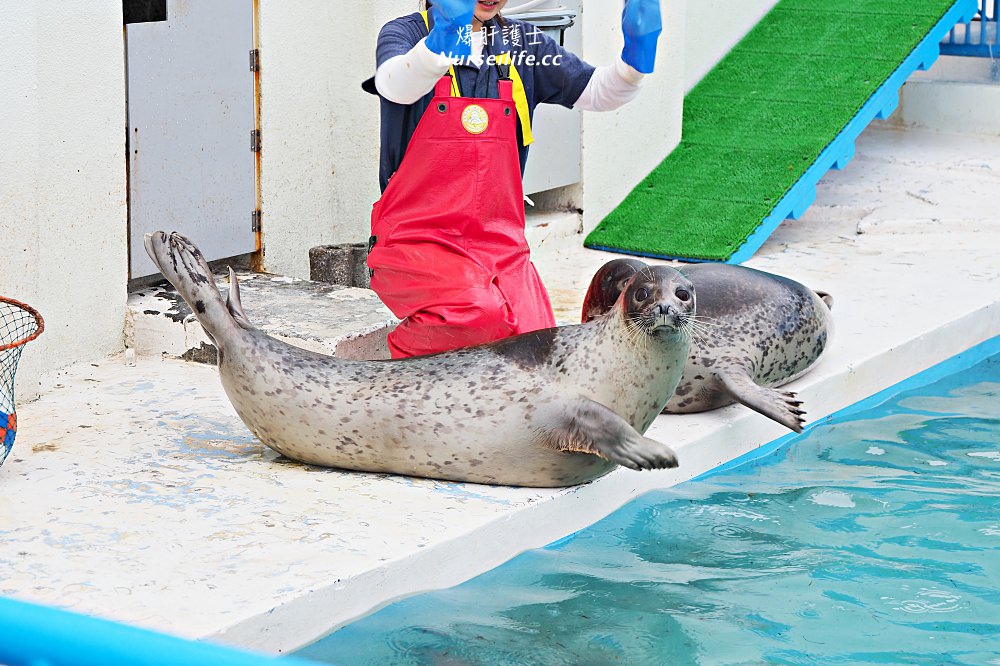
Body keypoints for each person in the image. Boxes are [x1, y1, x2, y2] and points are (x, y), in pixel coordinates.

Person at [364, 0, 662, 359]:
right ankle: (399, 381)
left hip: (499, 246)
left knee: (541, 351)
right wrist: (443, 41)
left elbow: (600, 90)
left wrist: (635, 61)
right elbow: (395, 84)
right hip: (416, 241)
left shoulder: (522, 44)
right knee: (478, 314)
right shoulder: (405, 35)